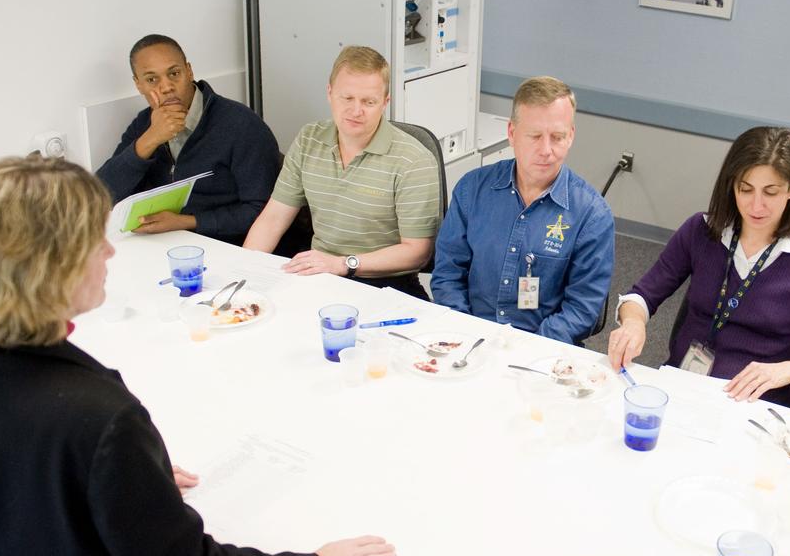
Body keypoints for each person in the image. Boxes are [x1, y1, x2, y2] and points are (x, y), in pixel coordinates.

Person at [0, 156, 398, 556]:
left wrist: (114, 486)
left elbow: (5, 473)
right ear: (51, 267)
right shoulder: (97, 420)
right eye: (96, 243)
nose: (111, 254)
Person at [606, 126, 790, 406]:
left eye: (771, 192)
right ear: (732, 185)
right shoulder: (702, 232)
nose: (756, 205)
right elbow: (640, 296)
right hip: (683, 388)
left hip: (754, 405)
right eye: (745, 189)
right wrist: (633, 323)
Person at [243, 46, 441, 300]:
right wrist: (244, 270)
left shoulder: (413, 159)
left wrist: (343, 264)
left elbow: (417, 252)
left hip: (387, 285)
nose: (356, 110)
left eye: (368, 102)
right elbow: (273, 219)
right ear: (329, 93)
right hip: (319, 277)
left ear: (385, 102)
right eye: (347, 98)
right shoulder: (308, 139)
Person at [431, 76, 614, 344]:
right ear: (512, 133)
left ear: (571, 136)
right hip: (468, 339)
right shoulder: (472, 190)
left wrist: (527, 349)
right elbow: (447, 274)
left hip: (542, 349)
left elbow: (583, 307)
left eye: (558, 137)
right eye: (535, 136)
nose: (546, 150)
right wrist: (465, 333)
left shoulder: (591, 214)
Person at [96, 33, 282, 244]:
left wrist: (187, 221)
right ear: (139, 85)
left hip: (229, 248)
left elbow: (265, 214)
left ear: (189, 71)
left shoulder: (242, 125)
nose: (166, 87)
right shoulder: (144, 124)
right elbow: (101, 196)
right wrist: (149, 140)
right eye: (152, 79)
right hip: (162, 246)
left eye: (174, 73)